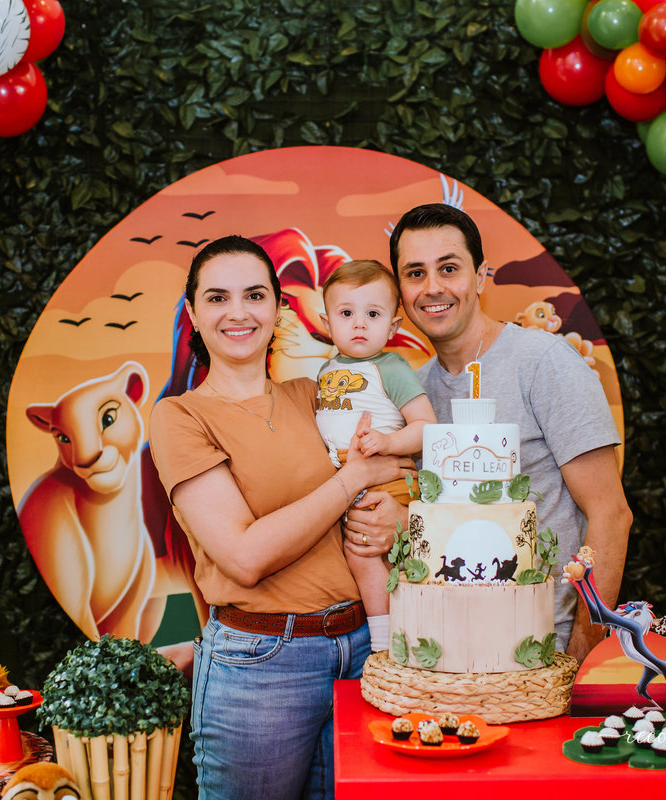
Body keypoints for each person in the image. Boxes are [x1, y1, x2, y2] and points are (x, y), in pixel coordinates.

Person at [148, 235, 407, 800]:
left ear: (278, 308)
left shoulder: (313, 395)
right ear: (193, 312)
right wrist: (352, 481)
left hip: (364, 649)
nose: (238, 312)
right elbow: (244, 556)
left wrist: (396, 511)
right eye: (217, 297)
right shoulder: (179, 417)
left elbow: (397, 463)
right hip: (260, 665)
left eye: (254, 295)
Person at [343, 203, 633, 663]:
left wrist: (582, 650)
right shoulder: (411, 395)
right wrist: (396, 522)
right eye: (415, 273)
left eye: (449, 268)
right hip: (446, 647)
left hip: (545, 643)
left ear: (479, 277)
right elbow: (437, 519)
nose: (433, 287)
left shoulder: (544, 362)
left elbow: (611, 514)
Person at [314, 259, 437, 653]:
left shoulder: (392, 367)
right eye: (346, 314)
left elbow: (426, 427)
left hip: (387, 480)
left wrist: (387, 441)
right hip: (348, 479)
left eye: (373, 314)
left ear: (393, 327)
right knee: (357, 556)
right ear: (326, 323)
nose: (359, 324)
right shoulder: (325, 370)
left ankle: (384, 648)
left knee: (363, 554)